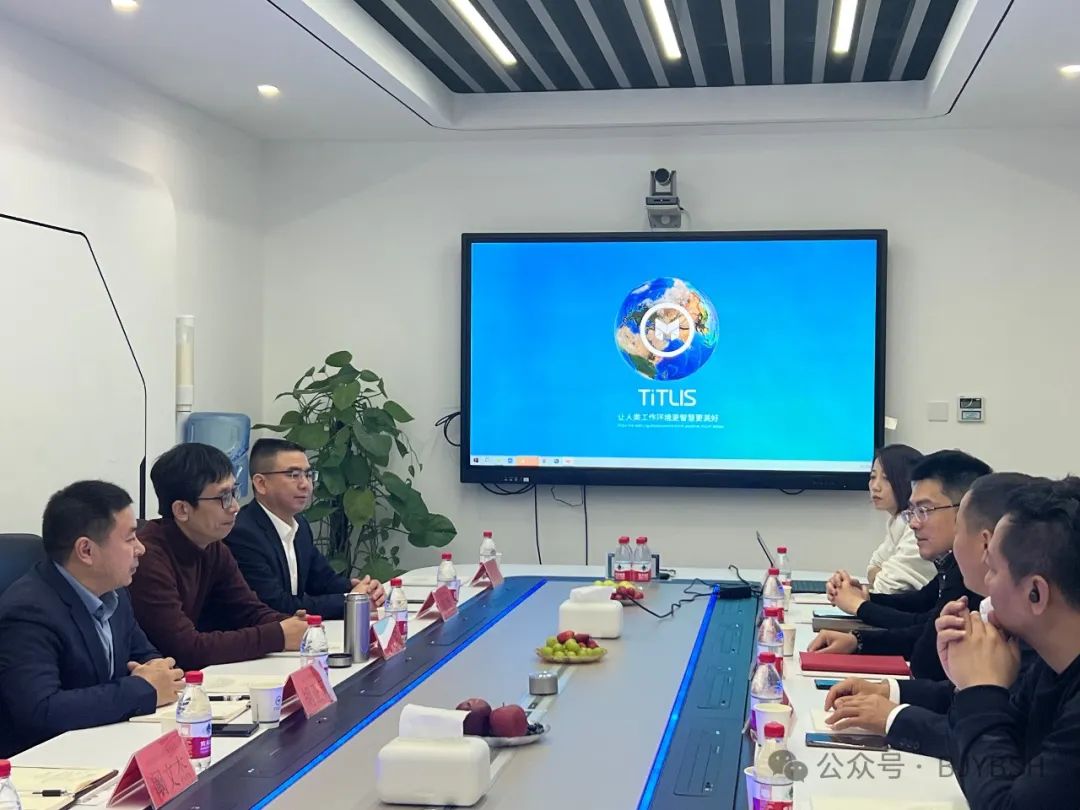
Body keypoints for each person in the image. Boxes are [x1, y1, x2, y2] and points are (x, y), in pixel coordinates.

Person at [821, 473, 1037, 758]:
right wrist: (889, 690)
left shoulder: (1036, 642)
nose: (913, 522)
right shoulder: (995, 608)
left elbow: (1000, 750)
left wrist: (894, 717)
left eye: (924, 510)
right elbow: (956, 694)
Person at [0, 481, 184, 756]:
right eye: (130, 539)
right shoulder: (28, 611)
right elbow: (41, 710)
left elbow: (149, 660)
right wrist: (141, 689)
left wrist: (157, 675)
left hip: (106, 745)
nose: (141, 549)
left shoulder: (115, 593)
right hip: (49, 763)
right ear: (86, 550)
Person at [933, 476, 1080, 807]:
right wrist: (965, 682)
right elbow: (997, 763)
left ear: (1036, 593)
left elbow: (1004, 803)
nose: (986, 584)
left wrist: (979, 691)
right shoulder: (1051, 667)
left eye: (993, 570)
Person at [809, 450, 990, 680]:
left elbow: (925, 650)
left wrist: (860, 607)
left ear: (965, 512)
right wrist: (859, 634)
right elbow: (922, 610)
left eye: (924, 510)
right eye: (912, 511)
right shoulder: (954, 564)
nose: (913, 523)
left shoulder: (975, 575)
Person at [129, 443, 309, 670]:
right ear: (182, 510)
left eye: (234, 493)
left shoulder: (213, 546)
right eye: (223, 497)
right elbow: (185, 649)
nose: (235, 507)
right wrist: (278, 635)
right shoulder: (147, 557)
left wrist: (291, 624)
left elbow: (248, 610)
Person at [225, 439, 385, 619]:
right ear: (261, 483)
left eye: (308, 474)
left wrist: (363, 589)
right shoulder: (242, 534)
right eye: (293, 475)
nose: (305, 484)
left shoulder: (300, 525)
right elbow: (276, 605)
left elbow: (323, 581)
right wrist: (352, 600)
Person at [864, 444, 937, 594]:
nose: (875, 486)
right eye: (872, 477)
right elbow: (873, 566)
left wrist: (880, 574)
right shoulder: (897, 522)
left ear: (908, 482)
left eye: (886, 478)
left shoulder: (919, 526)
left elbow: (887, 587)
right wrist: (879, 574)